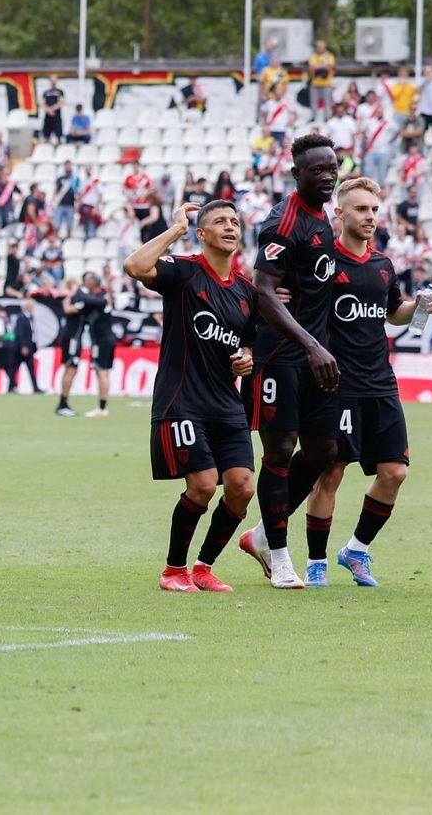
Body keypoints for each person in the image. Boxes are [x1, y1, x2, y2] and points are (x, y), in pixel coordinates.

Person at [296, 177, 432, 587]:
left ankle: (355, 550)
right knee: (332, 472)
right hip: (335, 384)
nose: (370, 216)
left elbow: (392, 313)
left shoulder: (382, 265)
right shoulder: (324, 262)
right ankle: (316, 562)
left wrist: (419, 307)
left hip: (380, 383)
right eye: (361, 209)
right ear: (339, 214)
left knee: (395, 471)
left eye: (374, 210)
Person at [123, 200, 261, 593]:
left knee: (242, 487)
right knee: (202, 485)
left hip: (226, 405)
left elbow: (250, 344)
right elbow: (134, 266)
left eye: (234, 221)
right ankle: (172, 570)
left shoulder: (246, 292)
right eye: (219, 221)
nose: (230, 227)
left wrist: (246, 360)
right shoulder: (183, 271)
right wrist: (175, 229)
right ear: (201, 234)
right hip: (182, 401)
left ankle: (203, 568)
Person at [237, 133, 342, 590]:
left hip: (315, 356)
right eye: (317, 169)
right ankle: (280, 557)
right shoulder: (284, 222)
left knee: (324, 451)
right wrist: (311, 345)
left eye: (332, 167)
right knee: (279, 453)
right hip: (281, 356)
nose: (327, 176)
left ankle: (262, 533)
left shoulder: (322, 221)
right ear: (295, 173)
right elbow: (263, 289)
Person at [54, 273, 115, 417]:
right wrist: (71, 292)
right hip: (74, 338)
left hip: (100, 340)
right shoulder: (88, 299)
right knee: (72, 368)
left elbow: (76, 303)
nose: (83, 285)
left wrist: (74, 289)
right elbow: (68, 309)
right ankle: (63, 404)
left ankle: (101, 408)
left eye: (85, 282)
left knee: (99, 371)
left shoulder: (95, 299)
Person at [308, 39, 336, 121]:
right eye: (318, 47)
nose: (320, 48)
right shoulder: (313, 56)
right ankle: (313, 118)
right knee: (313, 103)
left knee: (327, 103)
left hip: (326, 84)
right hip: (315, 84)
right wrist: (323, 65)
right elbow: (312, 68)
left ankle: (327, 118)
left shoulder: (330, 56)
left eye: (321, 46)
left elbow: (330, 67)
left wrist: (317, 66)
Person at [39, 79, 65, 144]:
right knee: (46, 134)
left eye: (54, 80)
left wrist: (52, 109)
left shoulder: (60, 92)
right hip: (48, 115)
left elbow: (61, 102)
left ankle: (59, 149)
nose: (53, 82)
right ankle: (46, 149)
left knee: (58, 135)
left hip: (56, 115)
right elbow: (42, 103)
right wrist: (48, 110)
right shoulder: (46, 92)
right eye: (52, 80)